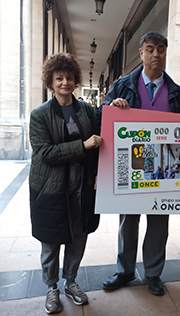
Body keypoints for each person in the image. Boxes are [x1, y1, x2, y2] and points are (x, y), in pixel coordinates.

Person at [100, 31, 180, 296]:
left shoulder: (176, 93)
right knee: (128, 221)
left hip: (164, 169)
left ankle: (153, 273)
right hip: (132, 166)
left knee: (159, 223)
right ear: (141, 53)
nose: (156, 55)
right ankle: (125, 270)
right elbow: (101, 118)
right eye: (150, 49)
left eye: (161, 49)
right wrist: (112, 107)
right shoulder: (122, 85)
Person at [29, 53, 102, 314]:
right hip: (50, 186)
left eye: (69, 77)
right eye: (59, 78)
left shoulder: (87, 111)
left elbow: (100, 141)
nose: (65, 82)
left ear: (75, 80)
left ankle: (71, 281)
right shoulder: (39, 115)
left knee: (78, 236)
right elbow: (45, 153)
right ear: (50, 81)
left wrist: (96, 172)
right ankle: (51, 287)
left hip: (81, 183)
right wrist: (82, 145)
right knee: (51, 240)